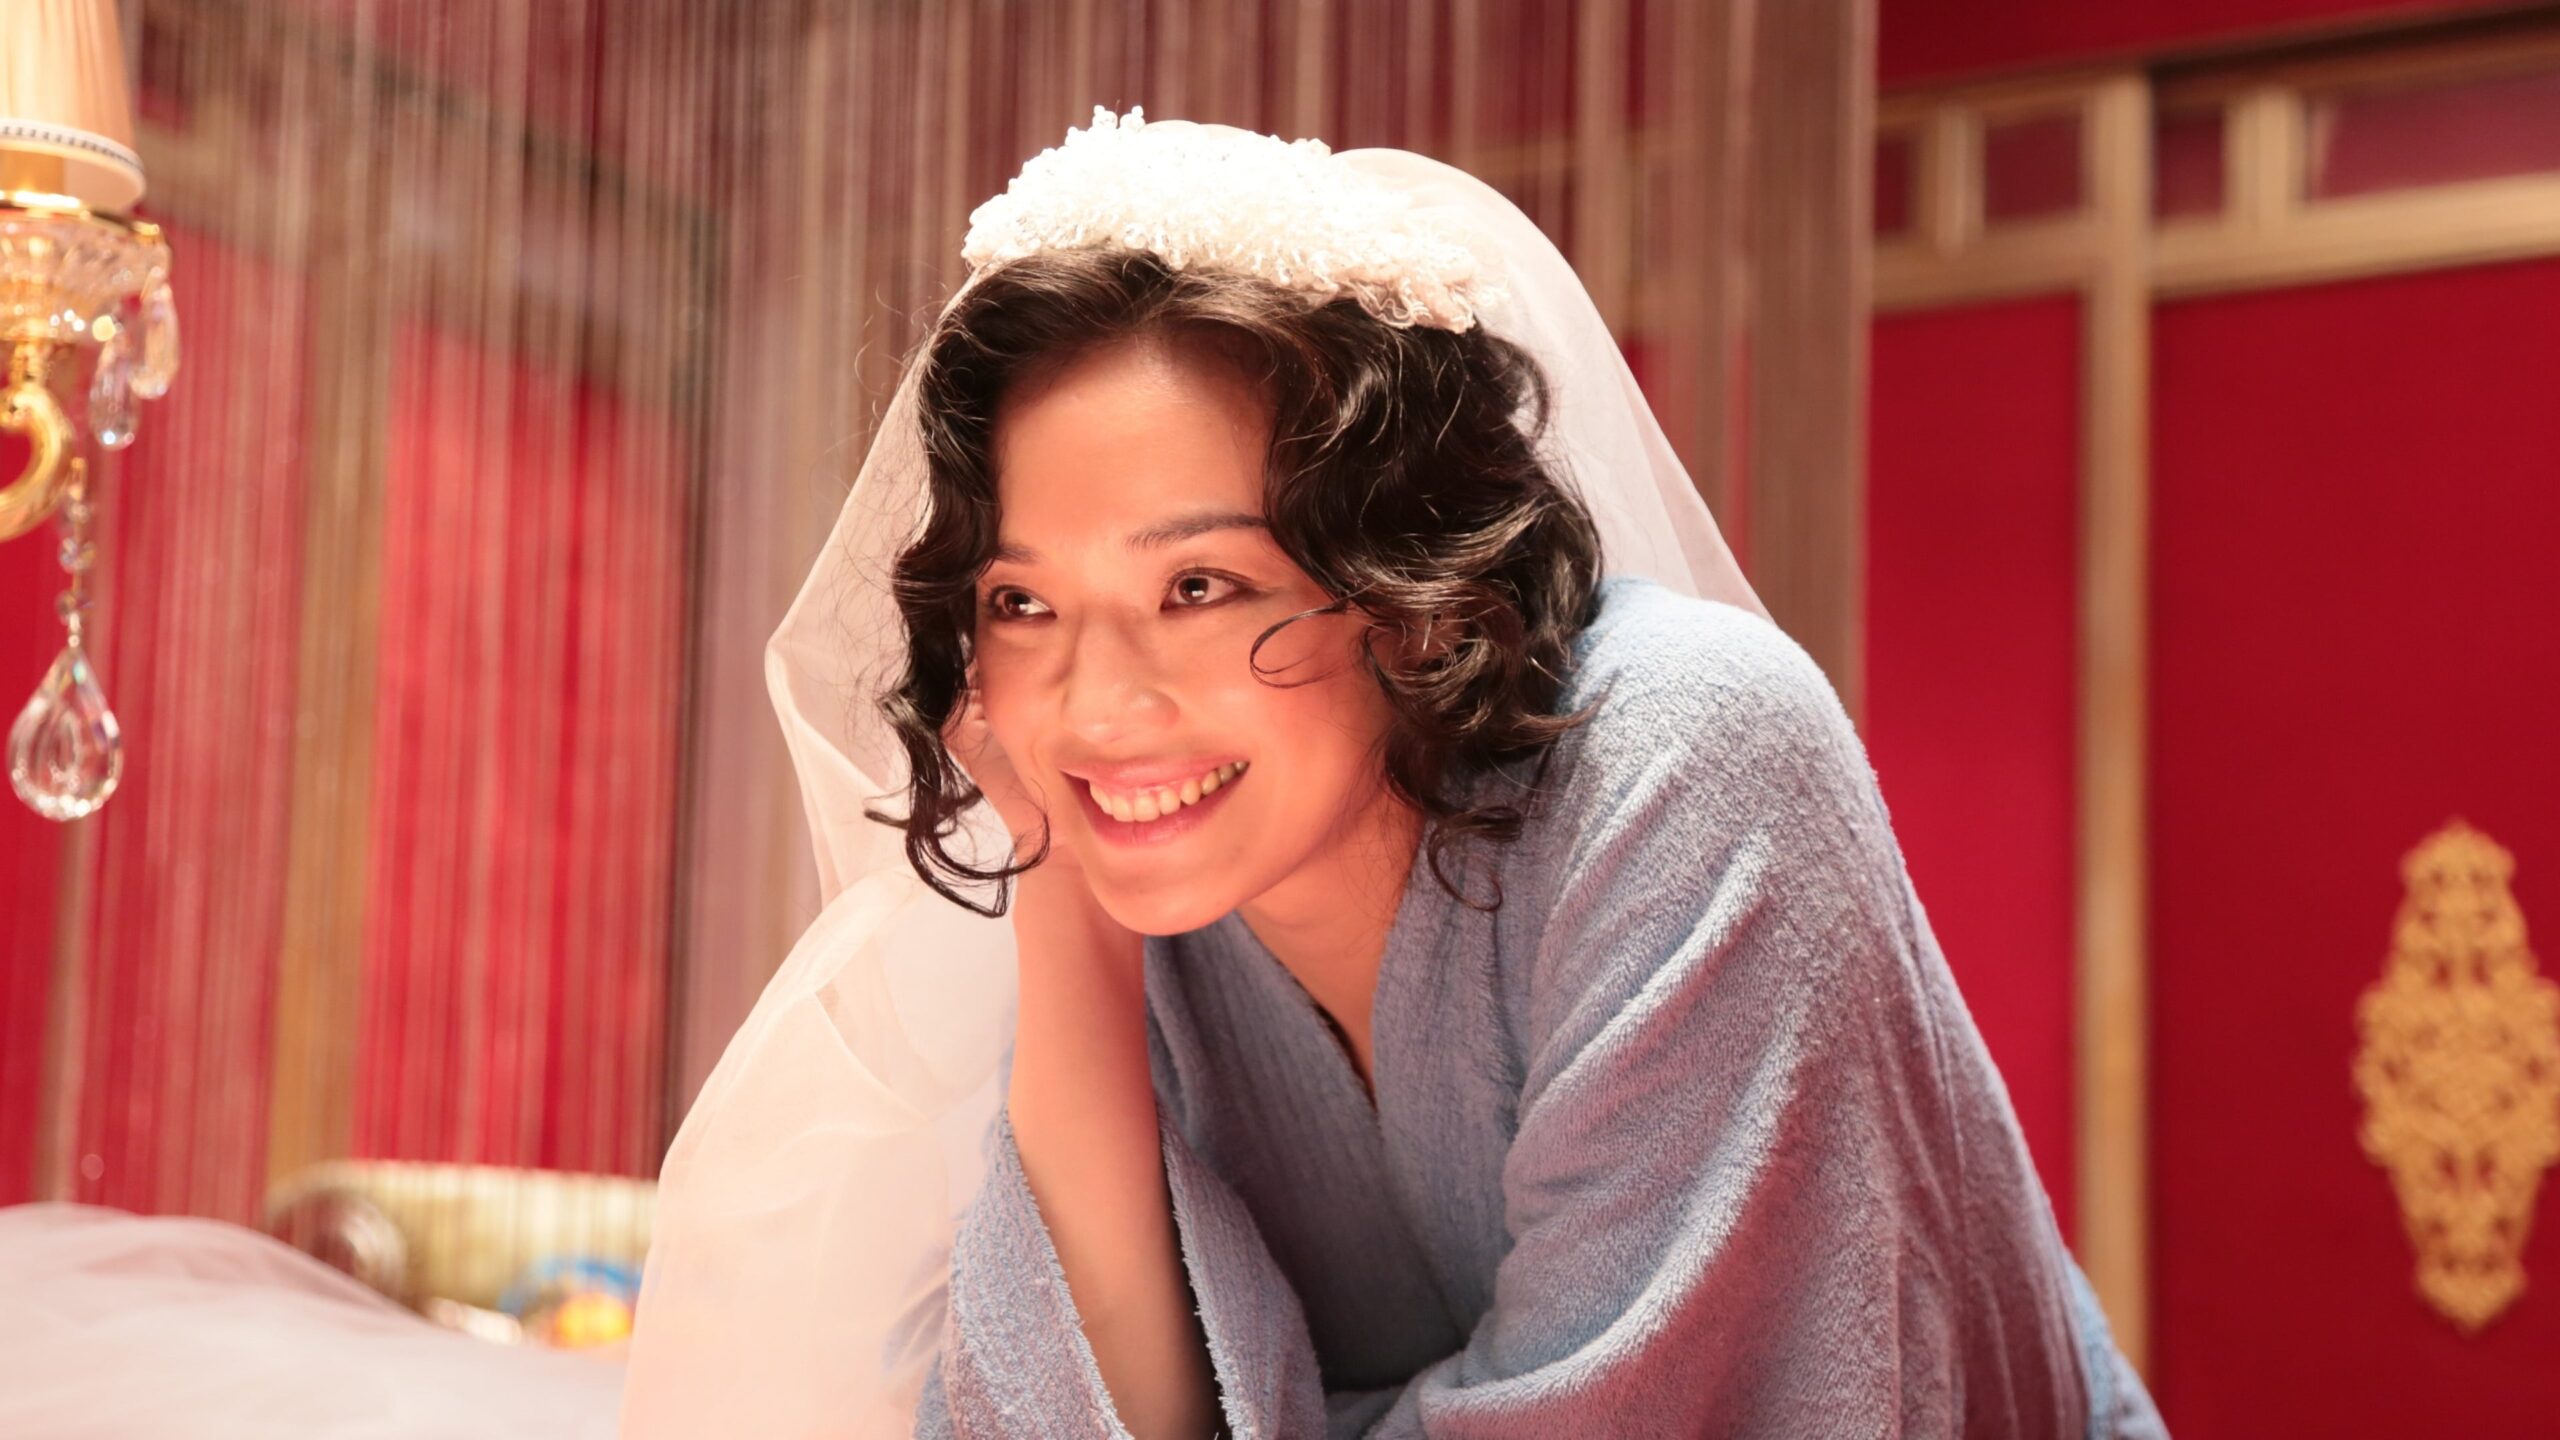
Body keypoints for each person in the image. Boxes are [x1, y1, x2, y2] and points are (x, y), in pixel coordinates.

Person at [622, 110, 2170, 1440]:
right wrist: (1067, 914)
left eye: (1198, 587)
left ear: (1407, 587)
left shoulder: (1689, 755)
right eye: (1023, 604)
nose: (1094, 705)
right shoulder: (1147, 863)